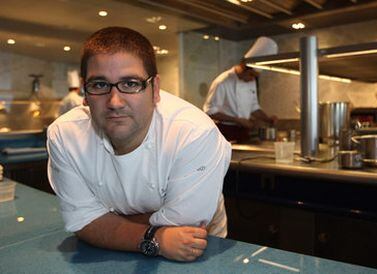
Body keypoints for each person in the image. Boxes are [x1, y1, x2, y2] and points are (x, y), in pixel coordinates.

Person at [47, 26, 231, 262]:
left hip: (195, 250)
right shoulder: (64, 136)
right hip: (114, 254)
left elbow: (184, 229)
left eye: (131, 83)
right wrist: (157, 235)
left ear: (155, 89)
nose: (114, 102)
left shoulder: (194, 133)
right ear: (84, 91)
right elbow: (83, 222)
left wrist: (102, 221)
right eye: (100, 85)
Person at [203, 37, 278, 143]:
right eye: (251, 75)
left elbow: (254, 107)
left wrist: (267, 119)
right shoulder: (222, 81)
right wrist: (237, 120)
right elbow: (210, 111)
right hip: (225, 132)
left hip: (243, 132)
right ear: (243, 67)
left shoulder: (251, 81)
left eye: (256, 77)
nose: (253, 79)